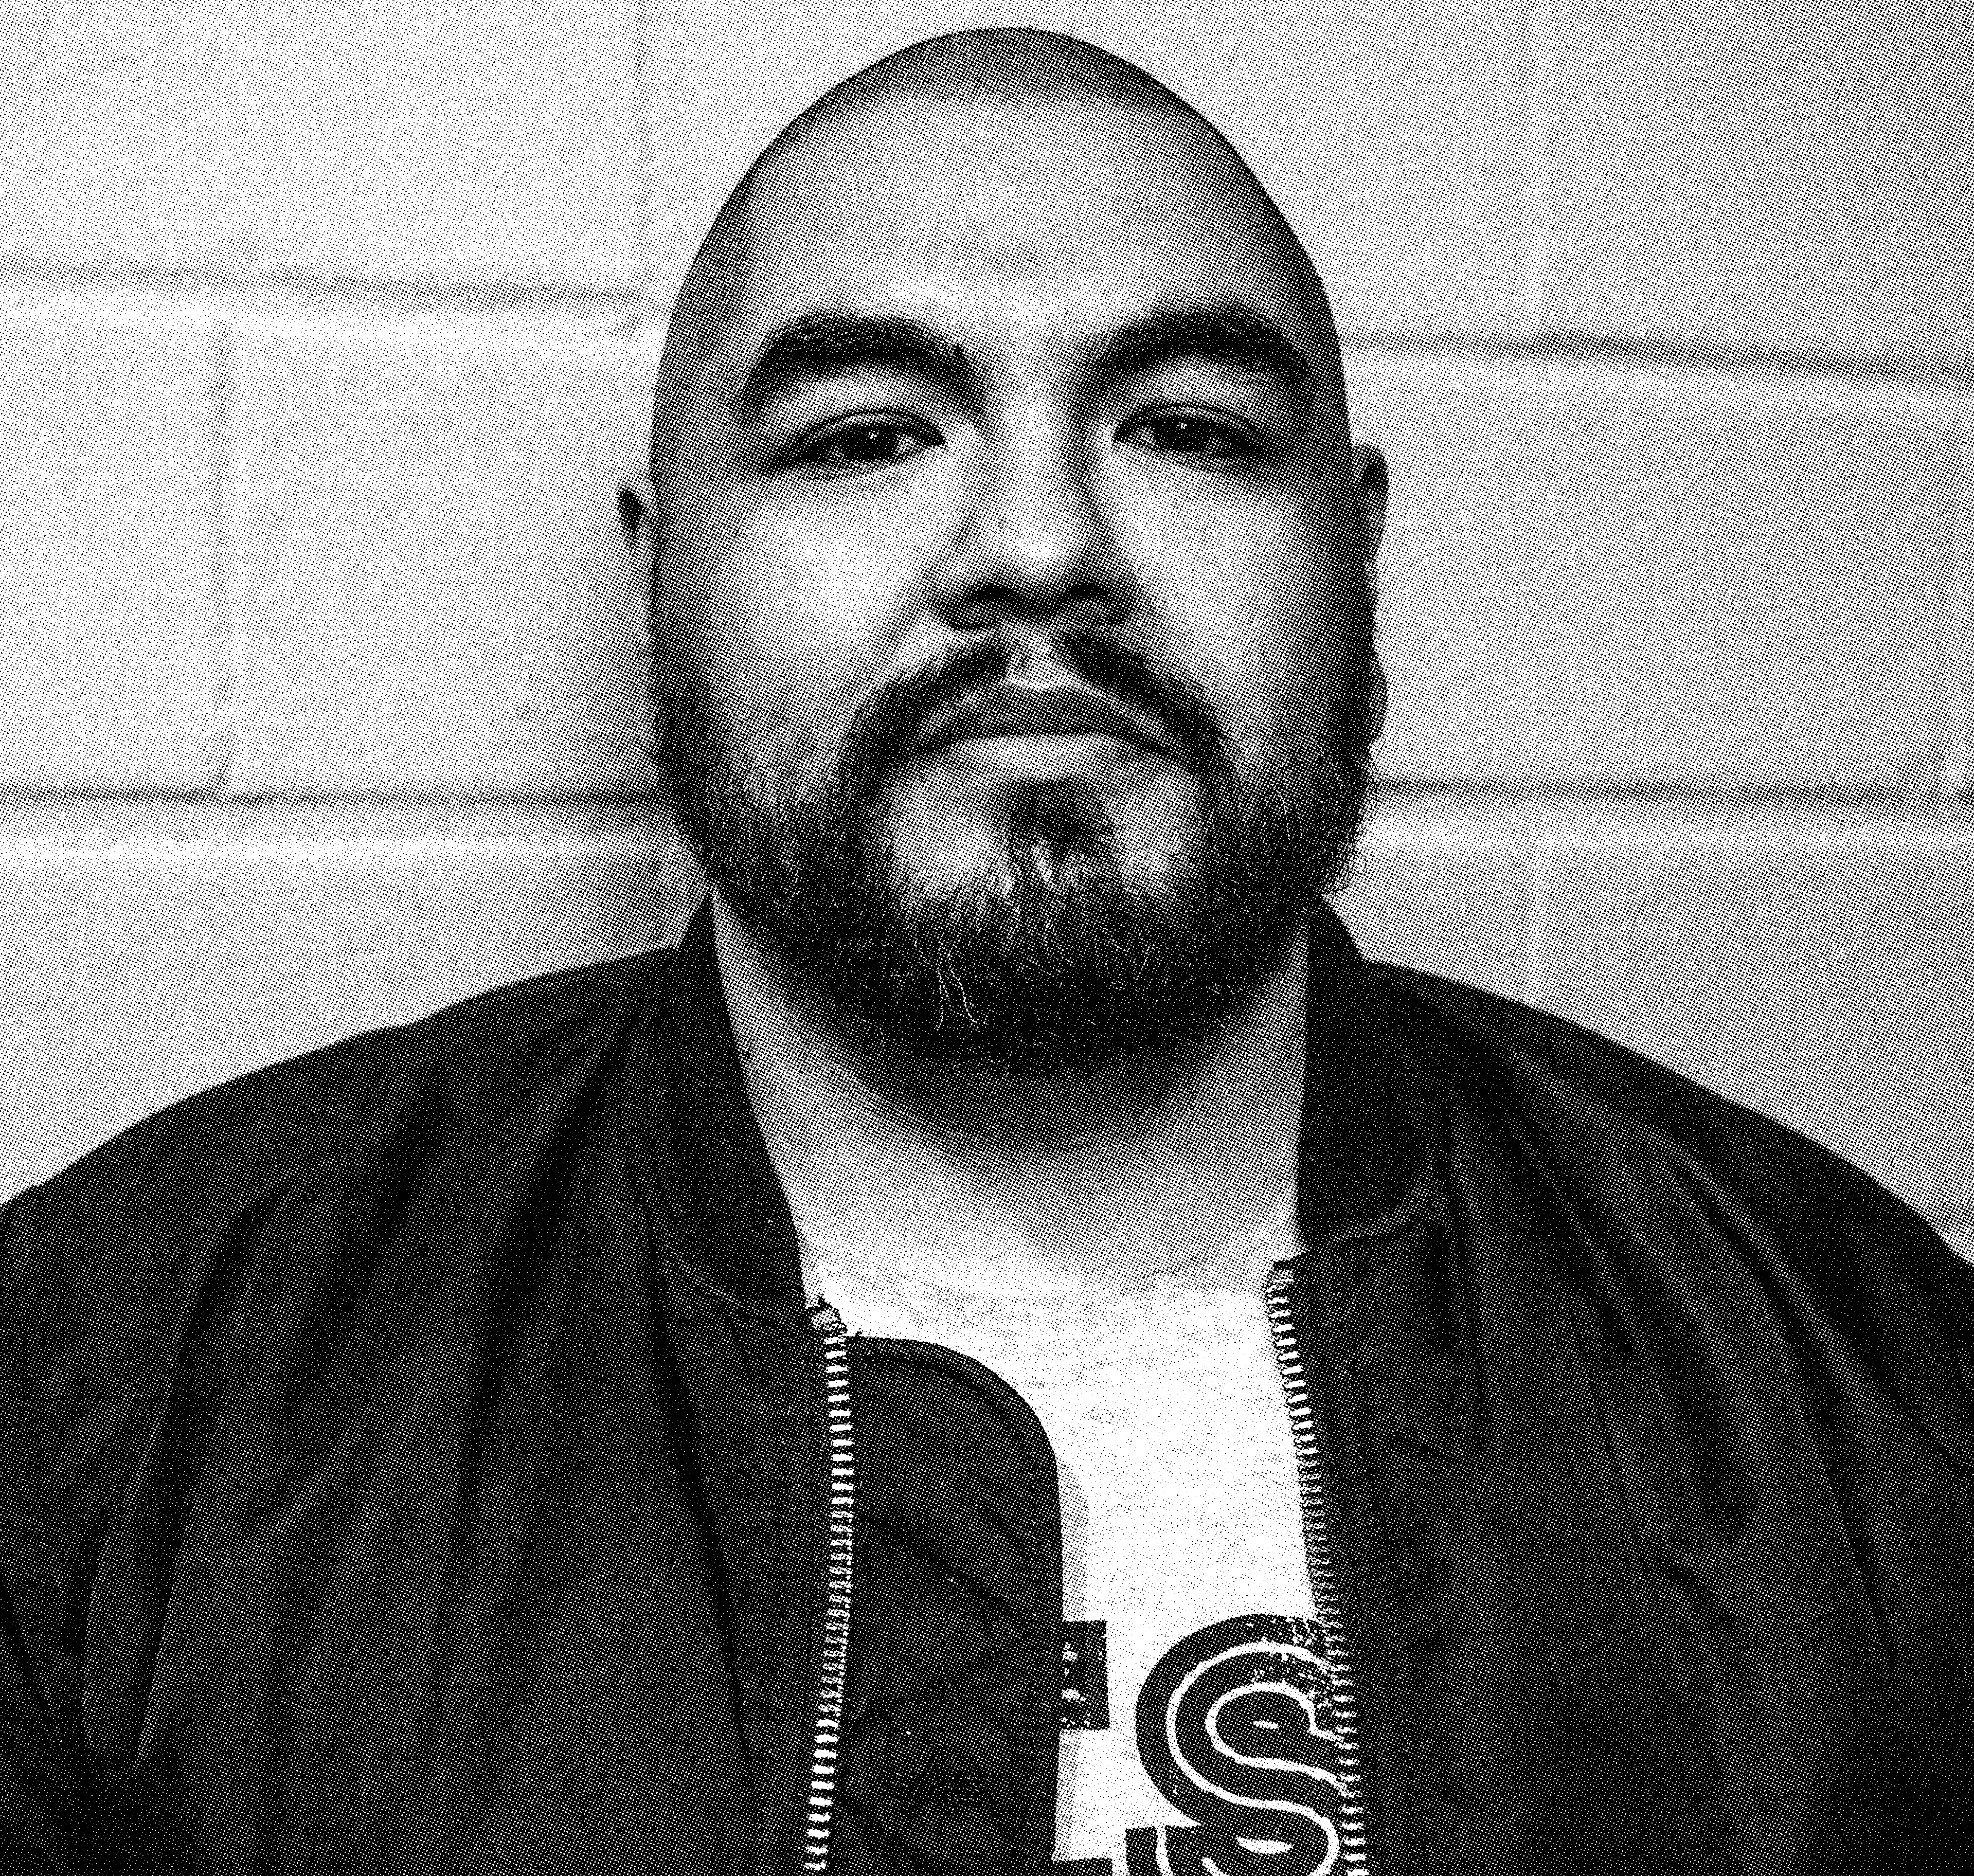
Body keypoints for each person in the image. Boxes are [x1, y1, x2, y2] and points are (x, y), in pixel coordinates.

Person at [3, 27, 1969, 1876]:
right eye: (867, 434)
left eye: (1187, 429)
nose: (1038, 544)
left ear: (1354, 552)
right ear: (661, 565)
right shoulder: (112, 1392)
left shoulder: (1870, 1400)